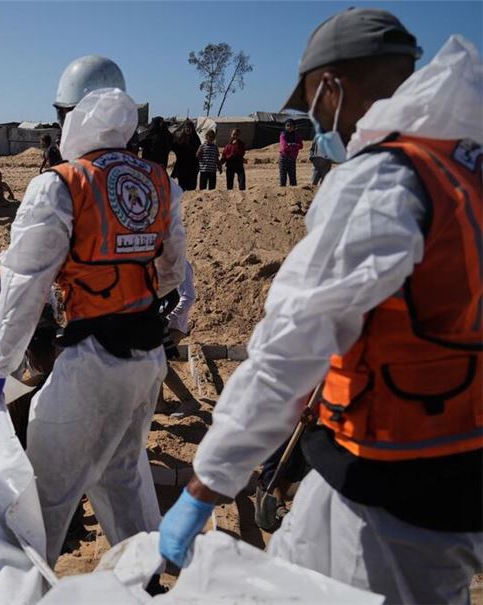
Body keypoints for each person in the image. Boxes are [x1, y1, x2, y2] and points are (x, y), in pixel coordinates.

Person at [158, 11, 483, 604]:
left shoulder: (384, 181)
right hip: (444, 465)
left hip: (389, 489)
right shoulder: (462, 172)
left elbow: (289, 347)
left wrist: (205, 486)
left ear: (330, 86)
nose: (313, 120)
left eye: (310, 100)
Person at [0, 55, 187, 566]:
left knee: (43, 494)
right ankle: (145, 582)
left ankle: (30, 586)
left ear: (72, 113)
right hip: (146, 360)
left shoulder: (60, 185)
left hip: (92, 360)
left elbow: (24, 287)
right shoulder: (160, 181)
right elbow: (173, 274)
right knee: (123, 474)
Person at [171, 120, 201, 190]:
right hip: (181, 167)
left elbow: (199, 153)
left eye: (189, 127)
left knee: (191, 188)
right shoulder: (181, 139)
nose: (187, 129)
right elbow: (174, 147)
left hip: (192, 167)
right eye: (186, 127)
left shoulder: (196, 139)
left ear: (192, 129)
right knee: (182, 187)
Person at [278, 118, 303, 186]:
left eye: (291, 125)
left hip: (292, 159)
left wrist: (291, 145)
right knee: (283, 178)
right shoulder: (283, 135)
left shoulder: (296, 135)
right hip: (284, 159)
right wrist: (295, 145)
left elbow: (301, 146)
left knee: (293, 179)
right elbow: (284, 148)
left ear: (294, 126)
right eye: (287, 125)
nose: (289, 127)